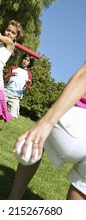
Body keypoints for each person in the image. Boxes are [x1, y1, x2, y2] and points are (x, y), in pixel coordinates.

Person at [9, 61, 86, 200]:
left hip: (74, 125)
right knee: (83, 186)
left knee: (34, 142)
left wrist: (47, 121)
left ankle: (13, 199)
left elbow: (83, 74)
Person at [4, 53, 34, 118]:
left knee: (13, 116)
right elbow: (4, 80)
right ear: (22, 59)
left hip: (16, 97)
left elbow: (25, 91)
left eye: (27, 60)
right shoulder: (13, 68)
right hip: (6, 92)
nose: (25, 61)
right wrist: (10, 75)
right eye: (24, 59)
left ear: (30, 63)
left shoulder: (29, 75)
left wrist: (28, 85)